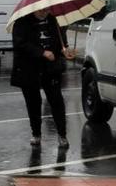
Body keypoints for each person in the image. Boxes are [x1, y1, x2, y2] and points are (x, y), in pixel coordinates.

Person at [10, 8, 72, 147]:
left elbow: (60, 39)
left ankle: (62, 135)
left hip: (51, 68)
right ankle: (36, 134)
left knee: (56, 101)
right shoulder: (21, 22)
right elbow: (20, 44)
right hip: (29, 68)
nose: (44, 13)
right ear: (33, 9)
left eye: (46, 10)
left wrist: (64, 49)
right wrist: (42, 52)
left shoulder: (53, 20)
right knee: (33, 103)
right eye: (41, 11)